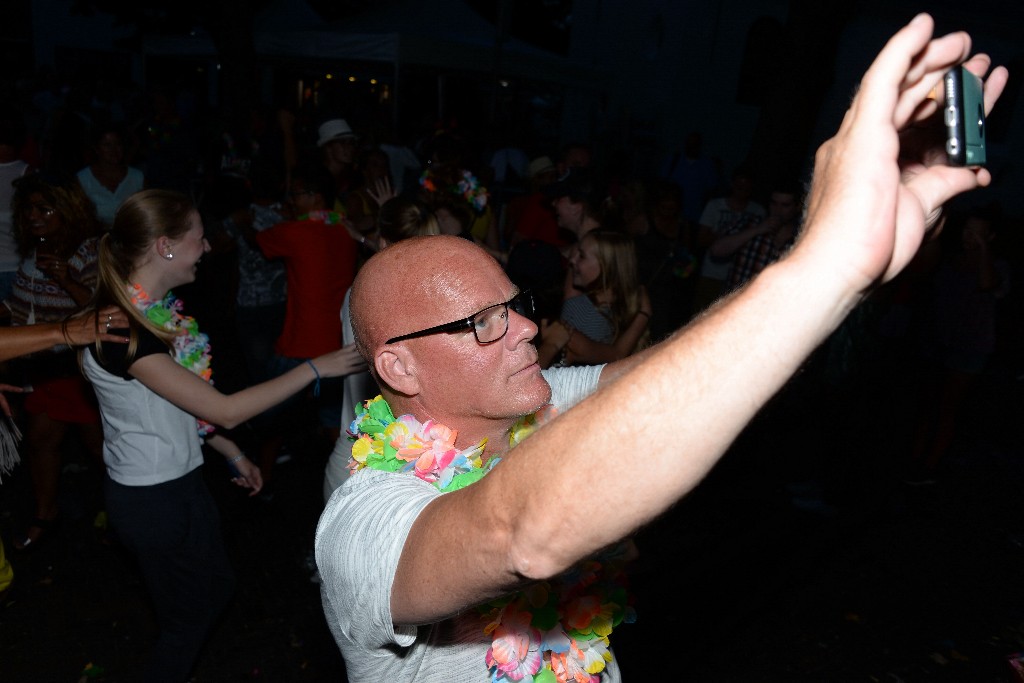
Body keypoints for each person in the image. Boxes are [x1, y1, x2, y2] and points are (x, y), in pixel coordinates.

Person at [315, 16, 1007, 682]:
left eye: (518, 306)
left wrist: (842, 273)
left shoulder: (541, 399)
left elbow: (681, 374)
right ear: (399, 365)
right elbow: (518, 531)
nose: (527, 327)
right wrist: (823, 262)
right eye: (485, 321)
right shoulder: (361, 515)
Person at [79, 188, 359, 682]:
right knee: (186, 620)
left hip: (181, 481)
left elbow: (179, 406)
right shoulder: (121, 331)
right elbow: (224, 409)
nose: (208, 248)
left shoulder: (156, 313)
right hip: (150, 498)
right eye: (199, 238)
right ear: (165, 246)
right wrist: (317, 367)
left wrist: (231, 453)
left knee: (215, 586)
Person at [2, 173, 103, 550]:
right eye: (28, 209)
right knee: (43, 441)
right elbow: (21, 305)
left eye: (44, 208)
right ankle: (46, 515)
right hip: (42, 364)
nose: (34, 216)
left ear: (68, 209)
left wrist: (67, 279)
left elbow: (104, 312)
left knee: (102, 447)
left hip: (76, 366)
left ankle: (123, 510)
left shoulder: (89, 251)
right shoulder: (36, 249)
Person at [321, 197, 439, 502]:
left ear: (383, 240)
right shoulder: (442, 300)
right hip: (423, 460)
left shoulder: (362, 296)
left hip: (364, 457)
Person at [539, 229, 651, 368]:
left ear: (606, 267)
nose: (572, 260)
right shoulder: (617, 310)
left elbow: (616, 355)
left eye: (582, 256)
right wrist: (643, 314)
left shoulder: (584, 315)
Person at [710, 181, 802, 291]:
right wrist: (757, 230)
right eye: (774, 203)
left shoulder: (802, 239)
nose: (778, 210)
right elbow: (716, 250)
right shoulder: (749, 223)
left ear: (798, 207)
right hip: (736, 302)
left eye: (785, 205)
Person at [76, 123, 145, 228]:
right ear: (97, 149)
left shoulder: (137, 177)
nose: (114, 150)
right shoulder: (83, 178)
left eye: (118, 144)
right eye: (107, 145)